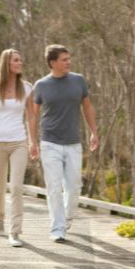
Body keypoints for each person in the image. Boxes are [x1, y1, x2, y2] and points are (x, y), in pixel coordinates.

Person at [30, 44, 99, 243]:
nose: (69, 62)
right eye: (64, 59)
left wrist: (94, 132)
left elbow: (87, 107)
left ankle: (68, 216)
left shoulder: (78, 81)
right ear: (53, 63)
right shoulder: (41, 85)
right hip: (49, 142)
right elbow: (33, 116)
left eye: (69, 58)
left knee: (74, 185)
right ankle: (57, 228)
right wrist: (32, 141)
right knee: (53, 187)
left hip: (73, 143)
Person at [0, 49, 36, 247]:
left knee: (16, 187)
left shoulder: (27, 88)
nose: (20, 63)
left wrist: (32, 142)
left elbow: (31, 116)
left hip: (18, 142)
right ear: (7, 63)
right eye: (16, 60)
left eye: (21, 60)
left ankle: (15, 232)